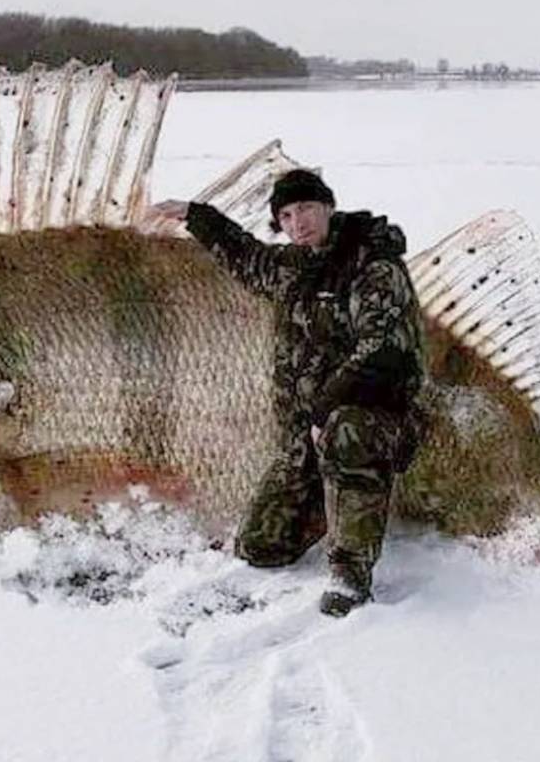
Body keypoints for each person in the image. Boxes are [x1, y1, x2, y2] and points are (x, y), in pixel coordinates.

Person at [148, 169, 429, 617]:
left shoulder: (372, 263)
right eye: (287, 214)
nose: (298, 222)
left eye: (307, 209)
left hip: (379, 417)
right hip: (311, 433)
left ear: (329, 207)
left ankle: (350, 573)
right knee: (261, 545)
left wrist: (322, 411)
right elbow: (245, 256)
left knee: (346, 432)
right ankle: (337, 502)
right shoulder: (292, 267)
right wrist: (196, 216)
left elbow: (382, 352)